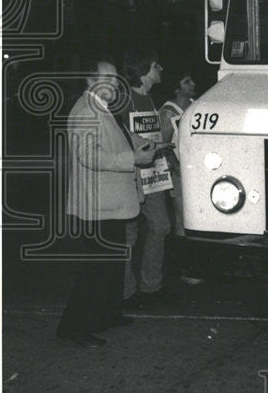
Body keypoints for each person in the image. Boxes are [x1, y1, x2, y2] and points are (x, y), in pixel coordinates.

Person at [57, 56, 160, 347]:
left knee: (112, 266)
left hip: (110, 204)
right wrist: (133, 158)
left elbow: (112, 143)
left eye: (116, 78)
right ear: (91, 82)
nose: (115, 83)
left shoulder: (101, 108)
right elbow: (88, 156)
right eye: (108, 78)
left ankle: (107, 315)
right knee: (96, 269)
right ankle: (71, 328)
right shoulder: (85, 111)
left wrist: (139, 146)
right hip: (97, 206)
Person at [117, 46, 173, 306]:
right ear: (143, 71)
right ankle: (127, 293)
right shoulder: (124, 100)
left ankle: (152, 286)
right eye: (155, 66)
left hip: (154, 174)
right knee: (129, 235)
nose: (160, 69)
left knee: (161, 226)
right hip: (132, 176)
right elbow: (121, 137)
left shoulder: (149, 99)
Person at [159, 70, 202, 285]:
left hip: (199, 173)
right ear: (177, 88)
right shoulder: (168, 111)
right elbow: (163, 145)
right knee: (183, 221)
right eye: (187, 81)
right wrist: (175, 165)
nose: (192, 83)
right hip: (180, 174)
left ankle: (197, 265)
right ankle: (185, 269)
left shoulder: (196, 104)